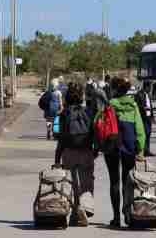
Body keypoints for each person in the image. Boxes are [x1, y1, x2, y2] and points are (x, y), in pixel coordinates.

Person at [96, 76, 146, 229]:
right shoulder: (133, 105)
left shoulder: (109, 105)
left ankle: (116, 217)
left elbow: (98, 124)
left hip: (111, 146)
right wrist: (141, 148)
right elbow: (140, 129)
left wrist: (98, 145)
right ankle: (128, 215)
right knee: (127, 182)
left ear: (114, 89)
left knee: (114, 182)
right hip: (129, 146)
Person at [55, 83, 96, 227]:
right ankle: (83, 207)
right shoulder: (89, 112)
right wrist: (95, 150)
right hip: (86, 151)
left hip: (68, 152)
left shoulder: (64, 114)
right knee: (86, 183)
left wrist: (57, 158)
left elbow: (60, 138)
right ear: (81, 97)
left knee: (71, 184)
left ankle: (73, 213)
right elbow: (94, 132)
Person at [134, 80, 155, 157]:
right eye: (150, 87)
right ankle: (142, 150)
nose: (151, 89)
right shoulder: (139, 94)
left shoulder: (148, 94)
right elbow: (137, 106)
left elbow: (150, 106)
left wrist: (152, 116)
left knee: (149, 133)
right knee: (144, 134)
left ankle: (147, 150)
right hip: (143, 117)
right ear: (146, 87)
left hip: (148, 117)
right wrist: (144, 108)